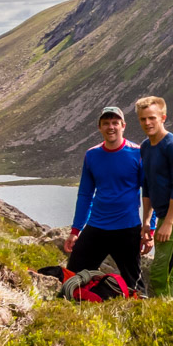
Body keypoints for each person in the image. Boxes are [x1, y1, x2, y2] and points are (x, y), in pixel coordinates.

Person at [63, 105, 151, 295]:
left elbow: (149, 191)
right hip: (97, 227)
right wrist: (75, 230)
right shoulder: (92, 155)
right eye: (106, 123)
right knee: (72, 277)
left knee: (135, 287)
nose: (111, 127)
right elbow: (85, 194)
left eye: (115, 123)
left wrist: (149, 228)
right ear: (99, 127)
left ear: (123, 126)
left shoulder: (138, 153)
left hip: (127, 229)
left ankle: (140, 316)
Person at [135, 95, 173, 296]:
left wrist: (168, 223)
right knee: (172, 273)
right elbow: (147, 184)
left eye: (152, 118)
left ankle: (172, 318)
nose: (147, 123)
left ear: (163, 117)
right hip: (165, 216)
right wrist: (147, 221)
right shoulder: (145, 147)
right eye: (143, 119)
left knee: (166, 274)